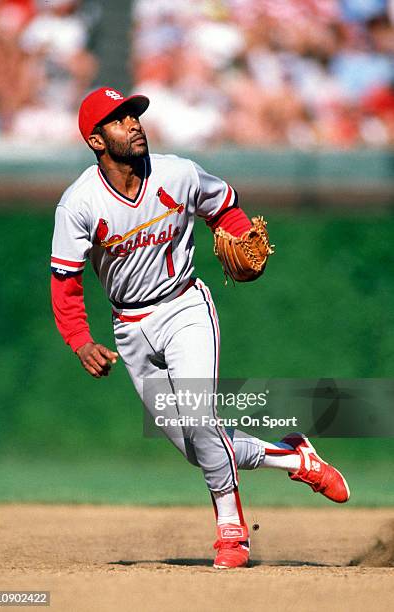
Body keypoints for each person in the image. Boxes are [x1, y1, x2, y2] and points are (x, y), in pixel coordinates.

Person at [50, 86, 350, 570]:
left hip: (184, 305)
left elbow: (224, 205)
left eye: (134, 114)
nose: (134, 123)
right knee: (194, 445)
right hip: (129, 326)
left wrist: (236, 231)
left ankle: (231, 532)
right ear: (96, 141)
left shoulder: (178, 173)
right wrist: (80, 341)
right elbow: (65, 282)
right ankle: (295, 457)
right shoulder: (80, 204)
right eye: (119, 119)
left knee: (199, 418)